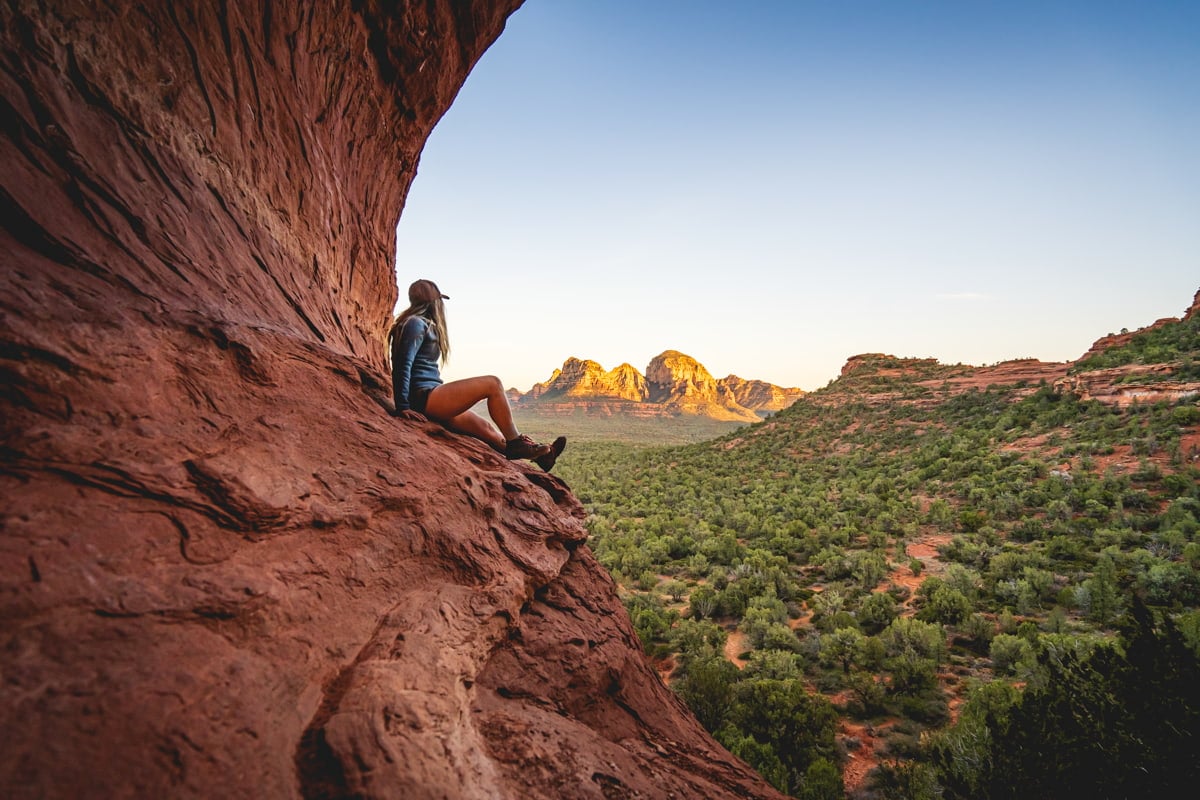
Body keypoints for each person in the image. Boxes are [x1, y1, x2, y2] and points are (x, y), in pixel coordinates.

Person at [389, 279, 566, 471]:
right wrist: (403, 407)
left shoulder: (421, 324)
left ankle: (543, 457)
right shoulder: (416, 323)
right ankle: (516, 442)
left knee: (488, 431)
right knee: (493, 384)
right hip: (425, 397)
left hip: (433, 397)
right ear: (434, 302)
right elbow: (402, 364)